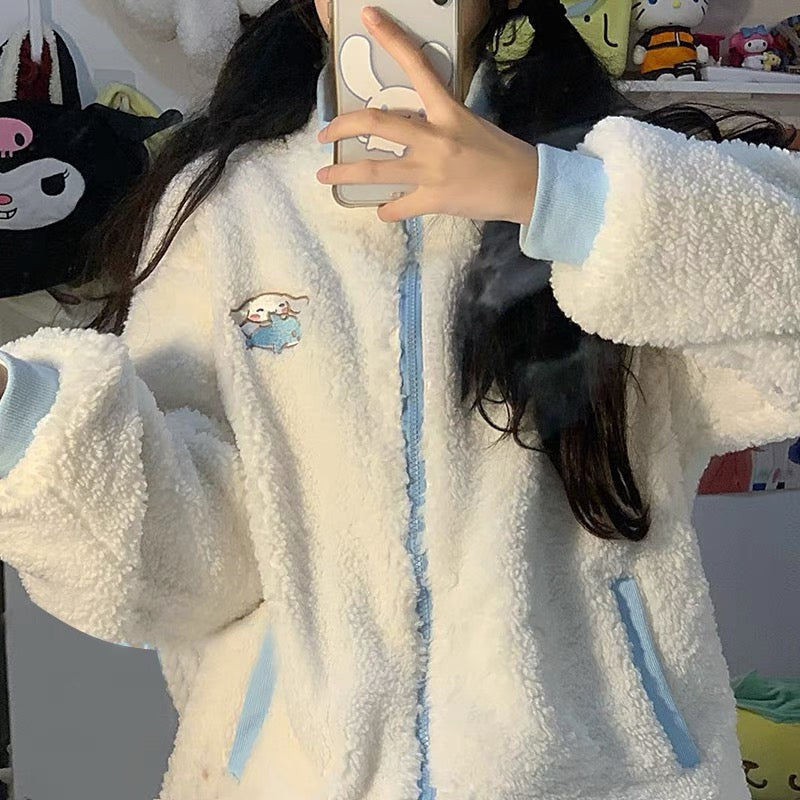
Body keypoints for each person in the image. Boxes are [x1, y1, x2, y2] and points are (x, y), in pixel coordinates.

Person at [0, 0, 798, 797]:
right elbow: (184, 567)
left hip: (603, 776)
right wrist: (24, 420)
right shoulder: (227, 207)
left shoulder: (611, 176)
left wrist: (555, 200)